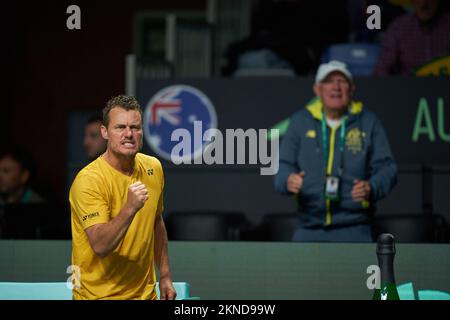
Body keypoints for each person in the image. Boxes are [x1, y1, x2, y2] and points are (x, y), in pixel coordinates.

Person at [274, 60, 398, 242]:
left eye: (342, 81)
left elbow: (388, 169)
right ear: (317, 89)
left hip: (356, 227)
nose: (336, 87)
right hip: (308, 227)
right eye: (329, 81)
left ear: (352, 88)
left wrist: (371, 187)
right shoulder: (300, 121)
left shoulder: (369, 122)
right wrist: (287, 180)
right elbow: (283, 166)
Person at [69, 95, 176, 300]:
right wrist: (130, 208)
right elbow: (101, 246)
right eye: (120, 127)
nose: (129, 134)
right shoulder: (88, 181)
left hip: (145, 296)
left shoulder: (153, 167)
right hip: (97, 297)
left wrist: (165, 276)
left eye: (135, 127)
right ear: (105, 132)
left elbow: (156, 223)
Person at [375, 0, 450, 75]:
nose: (424, 3)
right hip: (407, 85)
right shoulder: (399, 27)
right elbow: (382, 69)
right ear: (412, 1)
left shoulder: (447, 25)